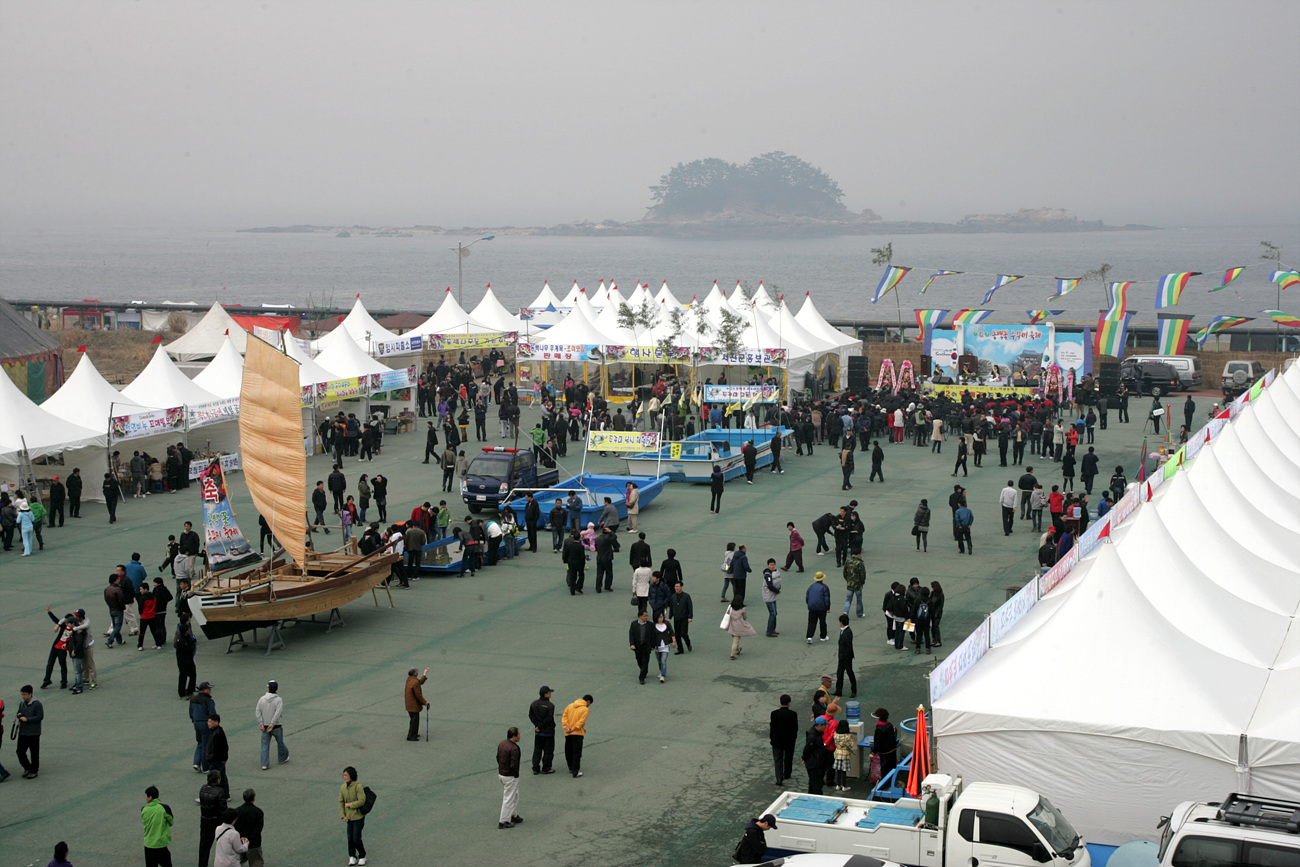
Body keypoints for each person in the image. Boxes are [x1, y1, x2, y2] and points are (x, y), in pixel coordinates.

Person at [197, 770, 228, 867]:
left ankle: (202, 864)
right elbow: (223, 809)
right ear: (218, 780)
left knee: (204, 846)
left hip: (205, 820)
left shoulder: (203, 789)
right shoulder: (220, 792)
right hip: (217, 822)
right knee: (223, 844)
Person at [255, 680, 289, 770]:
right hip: (276, 726)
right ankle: (282, 758)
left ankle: (264, 764)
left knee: (264, 745)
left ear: (268, 688)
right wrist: (272, 724)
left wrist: (261, 723)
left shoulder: (262, 699)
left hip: (264, 726)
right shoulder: (278, 700)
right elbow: (277, 713)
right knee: (280, 742)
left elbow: (258, 711)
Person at [339, 766, 367, 865]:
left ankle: (362, 856)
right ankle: (352, 856)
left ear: (351, 775)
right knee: (350, 838)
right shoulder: (343, 787)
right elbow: (341, 801)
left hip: (358, 817)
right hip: (349, 817)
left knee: (356, 838)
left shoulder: (358, 786)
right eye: (344, 775)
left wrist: (350, 805)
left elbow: (362, 801)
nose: (344, 777)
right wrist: (343, 815)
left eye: (346, 775)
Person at [497, 727, 524, 829]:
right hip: (510, 776)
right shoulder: (514, 748)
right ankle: (503, 820)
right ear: (514, 736)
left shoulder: (502, 743)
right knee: (508, 798)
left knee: (515, 795)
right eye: (518, 734)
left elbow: (498, 758)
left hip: (502, 773)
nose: (520, 736)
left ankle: (513, 814)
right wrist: (515, 774)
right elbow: (514, 764)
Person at [141, 785, 175, 867]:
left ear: (150, 797)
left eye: (146, 796)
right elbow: (171, 822)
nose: (145, 797)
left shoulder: (144, 810)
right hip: (160, 844)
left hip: (148, 844)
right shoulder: (164, 808)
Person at [769, 695, 799, 786]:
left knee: (778, 759)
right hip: (789, 740)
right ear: (789, 703)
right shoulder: (793, 714)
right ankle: (787, 773)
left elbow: (772, 727)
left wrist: (772, 738)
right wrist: (794, 737)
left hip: (777, 740)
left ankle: (779, 778)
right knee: (788, 757)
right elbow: (795, 728)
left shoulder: (774, 713)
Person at [561, 695, 592, 778]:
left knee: (569, 751)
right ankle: (575, 771)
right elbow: (581, 722)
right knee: (577, 752)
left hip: (568, 733)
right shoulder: (585, 709)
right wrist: (574, 728)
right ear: (588, 701)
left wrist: (566, 727)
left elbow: (564, 716)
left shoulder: (570, 706)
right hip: (577, 733)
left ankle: (571, 767)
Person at [16, 685, 43, 778]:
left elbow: (40, 716)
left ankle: (34, 770)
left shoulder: (37, 704)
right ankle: (27, 767)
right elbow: (19, 712)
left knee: (34, 753)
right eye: (22, 694)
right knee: (20, 751)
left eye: (25, 694)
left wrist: (27, 719)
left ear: (30, 694)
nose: (23, 696)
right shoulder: (22, 703)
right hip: (23, 732)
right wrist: (19, 715)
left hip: (33, 733)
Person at [528, 686, 556, 775]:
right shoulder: (550, 706)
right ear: (545, 694)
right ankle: (546, 768)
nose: (550, 694)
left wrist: (537, 725)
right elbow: (548, 719)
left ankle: (535, 768)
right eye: (549, 692)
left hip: (538, 732)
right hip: (548, 732)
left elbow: (531, 715)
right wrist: (540, 726)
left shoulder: (534, 704)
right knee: (548, 751)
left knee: (537, 750)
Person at [234, 789, 265, 867]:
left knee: (236, 862)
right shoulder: (258, 812)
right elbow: (258, 828)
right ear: (253, 798)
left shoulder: (237, 810)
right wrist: (249, 839)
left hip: (239, 841)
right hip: (253, 843)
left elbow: (234, 826)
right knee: (256, 863)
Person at [189, 682, 216, 771]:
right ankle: (206, 767)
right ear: (205, 690)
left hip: (196, 724)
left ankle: (196, 763)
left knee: (200, 743)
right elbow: (212, 714)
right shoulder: (209, 701)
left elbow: (191, 713)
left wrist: (194, 721)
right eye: (209, 689)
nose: (210, 690)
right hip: (205, 724)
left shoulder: (193, 699)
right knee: (206, 745)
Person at [801, 716, 830, 794]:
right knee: (817, 785)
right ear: (820, 725)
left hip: (815, 763)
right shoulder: (813, 736)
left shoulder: (816, 734)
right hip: (815, 764)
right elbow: (807, 749)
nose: (825, 727)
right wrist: (804, 758)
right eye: (824, 725)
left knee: (813, 783)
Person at [870, 708, 899, 788]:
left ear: (879, 718)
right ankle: (893, 785)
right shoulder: (890, 725)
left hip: (884, 754)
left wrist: (873, 753)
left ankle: (884, 787)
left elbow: (877, 743)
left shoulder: (879, 729)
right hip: (892, 752)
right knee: (892, 768)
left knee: (885, 770)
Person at [725, 594, 756, 660]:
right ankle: (732, 653)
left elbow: (728, 614)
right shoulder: (743, 609)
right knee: (736, 640)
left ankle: (737, 650)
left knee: (735, 638)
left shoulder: (730, 607)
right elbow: (744, 617)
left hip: (732, 625)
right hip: (739, 625)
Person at [629, 610, 655, 684]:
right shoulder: (634, 624)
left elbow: (653, 636)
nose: (646, 617)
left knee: (645, 662)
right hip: (637, 646)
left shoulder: (650, 625)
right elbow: (631, 635)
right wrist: (632, 644)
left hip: (646, 646)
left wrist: (653, 645)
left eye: (647, 615)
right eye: (645, 616)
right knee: (639, 660)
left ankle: (641, 678)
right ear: (640, 616)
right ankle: (644, 671)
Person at [206, 714, 230, 796]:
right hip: (220, 759)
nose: (208, 723)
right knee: (222, 777)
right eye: (208, 721)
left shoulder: (217, 734)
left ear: (217, 722)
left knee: (213, 778)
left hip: (216, 760)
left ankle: (209, 794)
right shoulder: (217, 731)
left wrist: (210, 758)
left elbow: (218, 750)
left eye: (210, 722)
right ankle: (225, 795)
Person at [805, 572, 830, 644]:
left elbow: (807, 597)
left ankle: (809, 636)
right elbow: (827, 599)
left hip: (812, 607)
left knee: (811, 622)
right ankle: (823, 636)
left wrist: (809, 604)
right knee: (822, 622)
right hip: (821, 608)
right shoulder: (824, 587)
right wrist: (827, 608)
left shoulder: (811, 586)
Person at [835, 613, 857, 697]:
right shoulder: (844, 630)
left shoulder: (847, 632)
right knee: (839, 673)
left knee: (850, 673)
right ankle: (838, 690)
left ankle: (854, 690)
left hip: (846, 657)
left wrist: (847, 657)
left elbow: (848, 646)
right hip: (842, 657)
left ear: (841, 622)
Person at [405, 667, 430, 742]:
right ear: (415, 673)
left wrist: (424, 673)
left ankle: (413, 733)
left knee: (413, 720)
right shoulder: (415, 682)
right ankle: (411, 736)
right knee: (415, 721)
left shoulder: (410, 679)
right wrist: (425, 702)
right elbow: (418, 695)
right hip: (414, 705)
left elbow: (420, 682)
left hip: (409, 704)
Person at [651, 610, 676, 682]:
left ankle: (663, 675)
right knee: (659, 661)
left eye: (662, 616)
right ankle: (661, 671)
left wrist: (674, 641)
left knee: (663, 661)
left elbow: (672, 632)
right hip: (657, 647)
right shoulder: (653, 625)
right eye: (659, 617)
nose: (661, 618)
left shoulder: (667, 623)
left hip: (665, 646)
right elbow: (651, 636)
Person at [669, 581, 694, 653]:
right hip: (676, 618)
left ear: (681, 587)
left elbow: (690, 607)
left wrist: (690, 616)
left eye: (678, 586)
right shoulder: (673, 597)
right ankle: (680, 649)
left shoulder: (686, 596)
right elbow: (671, 607)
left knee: (683, 633)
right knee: (677, 634)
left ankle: (688, 643)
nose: (676, 588)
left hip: (684, 618)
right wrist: (670, 617)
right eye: (675, 586)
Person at [760, 559, 782, 637]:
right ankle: (769, 631)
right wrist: (777, 591)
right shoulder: (768, 575)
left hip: (773, 596)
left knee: (775, 613)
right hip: (768, 596)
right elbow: (770, 585)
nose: (772, 566)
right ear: (768, 565)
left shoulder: (772, 573)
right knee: (772, 613)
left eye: (773, 565)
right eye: (771, 565)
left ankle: (772, 629)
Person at [842, 547, 865, 619]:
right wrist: (862, 582)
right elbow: (862, 575)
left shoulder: (848, 561)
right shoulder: (860, 563)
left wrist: (848, 580)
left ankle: (845, 612)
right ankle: (859, 613)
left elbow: (844, 573)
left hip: (849, 584)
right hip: (858, 585)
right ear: (859, 554)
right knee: (859, 599)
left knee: (848, 599)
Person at [561, 531, 586, 595]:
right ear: (579, 538)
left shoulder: (569, 545)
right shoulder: (581, 547)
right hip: (579, 563)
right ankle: (579, 586)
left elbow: (566, 553)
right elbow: (582, 556)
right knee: (581, 575)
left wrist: (565, 560)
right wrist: (583, 563)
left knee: (572, 576)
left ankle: (572, 590)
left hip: (571, 562)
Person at [928, 581, 946, 647]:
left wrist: (936, 613)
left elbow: (940, 605)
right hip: (932, 613)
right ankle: (934, 640)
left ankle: (938, 640)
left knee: (935, 626)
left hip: (937, 614)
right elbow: (930, 600)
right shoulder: (932, 593)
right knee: (933, 627)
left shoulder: (941, 595)